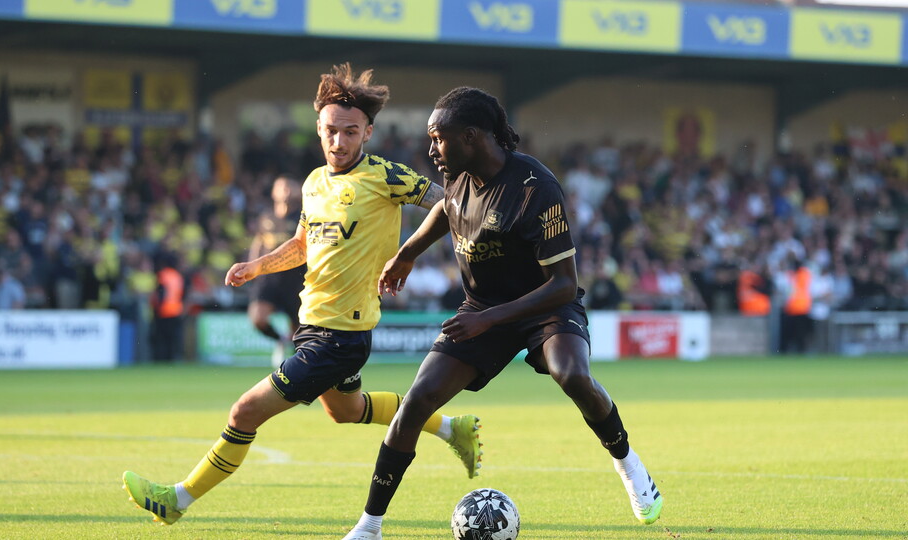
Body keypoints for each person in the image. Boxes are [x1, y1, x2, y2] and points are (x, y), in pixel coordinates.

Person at [122, 64, 482, 526]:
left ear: (367, 132)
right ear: (319, 129)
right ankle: (454, 427)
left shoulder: (386, 176)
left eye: (350, 132)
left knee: (244, 411)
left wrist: (410, 253)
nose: (339, 141)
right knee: (347, 411)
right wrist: (257, 266)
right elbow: (303, 244)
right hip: (313, 323)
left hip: (341, 335)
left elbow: (450, 203)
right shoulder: (314, 183)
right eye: (331, 131)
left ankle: (177, 499)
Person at [344, 87, 663, 540]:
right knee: (416, 402)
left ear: (472, 137)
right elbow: (445, 208)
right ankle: (369, 527)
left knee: (572, 375)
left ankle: (629, 466)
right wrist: (408, 252)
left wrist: (489, 320)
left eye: (439, 138)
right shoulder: (457, 174)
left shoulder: (536, 188)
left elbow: (565, 284)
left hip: (545, 304)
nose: (432, 149)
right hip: (482, 308)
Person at [246, 174, 306, 344]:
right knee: (257, 318)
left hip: (296, 277)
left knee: (300, 331)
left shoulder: (302, 216)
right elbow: (258, 242)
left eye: (290, 186)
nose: (286, 190)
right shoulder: (266, 217)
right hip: (269, 276)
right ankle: (280, 340)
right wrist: (252, 267)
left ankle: (298, 359)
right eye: (282, 186)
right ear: (274, 192)